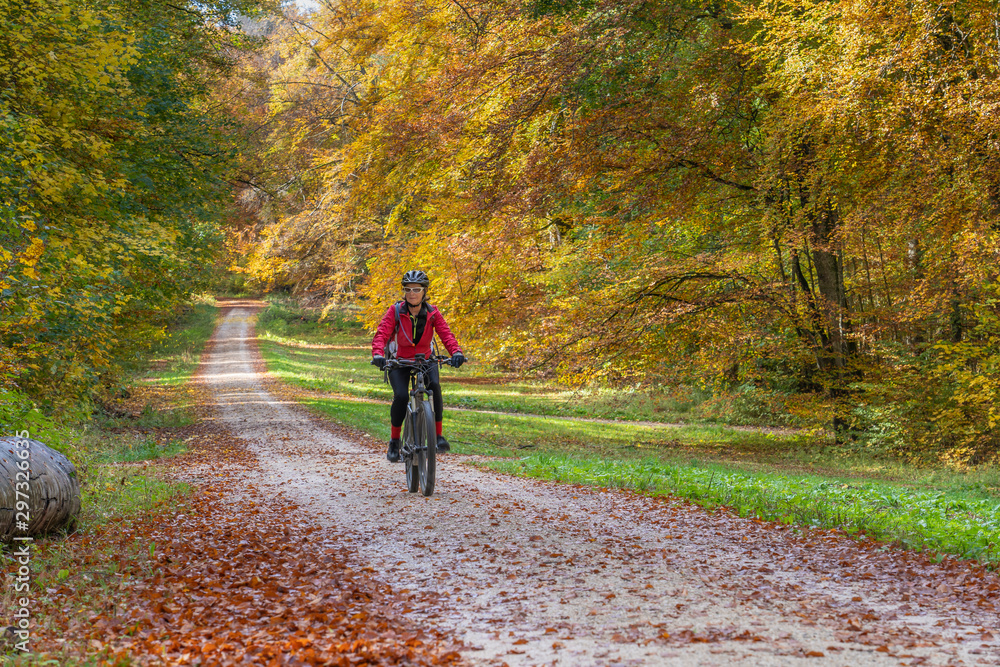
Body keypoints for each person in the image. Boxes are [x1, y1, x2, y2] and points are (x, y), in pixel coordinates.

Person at [370, 270, 466, 462]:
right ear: (404, 292)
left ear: (424, 292)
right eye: (407, 289)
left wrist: (456, 352)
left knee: (435, 387)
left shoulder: (432, 312)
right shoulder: (395, 311)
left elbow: (446, 334)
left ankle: (438, 436)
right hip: (399, 360)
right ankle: (394, 441)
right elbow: (382, 333)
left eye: (416, 289)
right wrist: (378, 354)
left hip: (425, 359)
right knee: (402, 395)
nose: (412, 293)